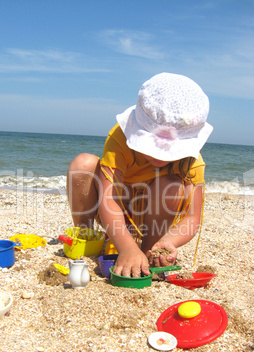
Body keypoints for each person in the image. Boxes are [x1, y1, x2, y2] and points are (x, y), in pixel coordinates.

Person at [67, 73, 213, 278]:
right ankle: (87, 237)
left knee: (170, 184)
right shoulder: (119, 137)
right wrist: (126, 247)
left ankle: (149, 249)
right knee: (82, 164)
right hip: (115, 208)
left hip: (151, 216)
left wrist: (169, 242)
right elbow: (109, 200)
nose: (159, 156)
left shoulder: (191, 160)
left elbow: (192, 217)